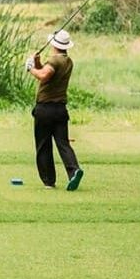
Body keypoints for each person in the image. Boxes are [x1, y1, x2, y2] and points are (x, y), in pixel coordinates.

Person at [25, 30, 84, 191]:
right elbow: (48, 73)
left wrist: (30, 68)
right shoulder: (68, 61)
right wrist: (37, 62)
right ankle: (74, 171)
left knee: (43, 144)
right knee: (63, 143)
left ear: (54, 44)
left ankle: (48, 181)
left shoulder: (54, 60)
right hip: (60, 110)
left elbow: (44, 75)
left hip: (45, 109)